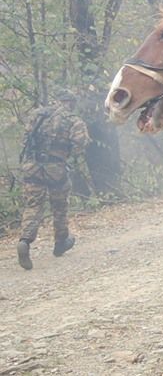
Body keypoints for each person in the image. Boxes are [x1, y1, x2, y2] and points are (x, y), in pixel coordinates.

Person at [16, 88, 90, 270]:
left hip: (32, 167)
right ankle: (61, 241)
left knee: (33, 205)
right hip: (55, 168)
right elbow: (81, 143)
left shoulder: (37, 115)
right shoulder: (73, 120)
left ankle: (25, 240)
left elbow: (24, 139)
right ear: (70, 103)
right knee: (60, 205)